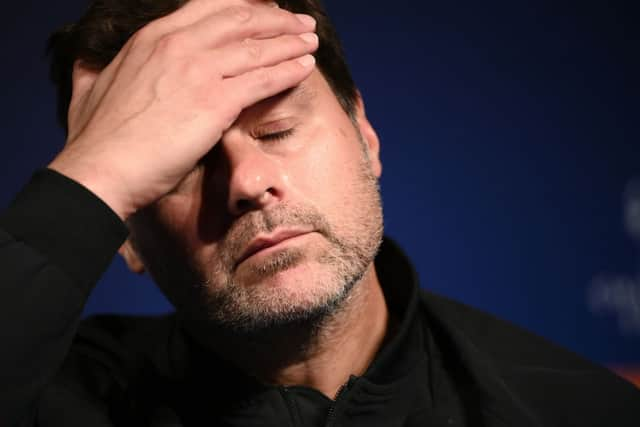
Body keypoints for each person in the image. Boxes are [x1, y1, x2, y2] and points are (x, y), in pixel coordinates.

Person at [0, 0, 638, 425]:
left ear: (366, 136)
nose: (248, 182)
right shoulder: (48, 396)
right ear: (125, 236)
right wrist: (93, 172)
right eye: (182, 163)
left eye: (276, 130)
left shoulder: (576, 410)